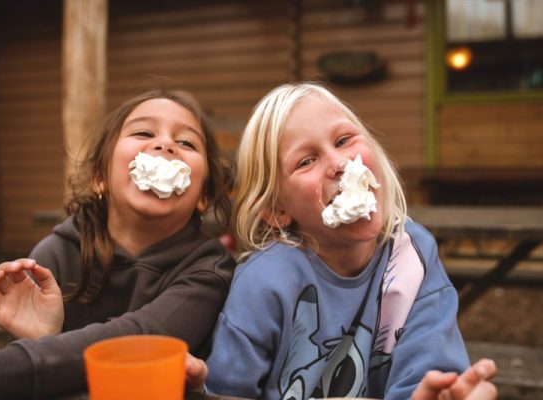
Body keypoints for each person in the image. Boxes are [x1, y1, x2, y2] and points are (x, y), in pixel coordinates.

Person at [200, 82, 497, 399]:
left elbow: (426, 375)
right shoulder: (264, 282)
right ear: (276, 210)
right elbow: (228, 390)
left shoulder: (413, 258)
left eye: (344, 140)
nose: (340, 164)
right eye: (306, 161)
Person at [0, 89, 236, 400]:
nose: (165, 145)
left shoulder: (210, 271)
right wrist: (41, 339)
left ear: (203, 196)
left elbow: (140, 338)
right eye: (143, 132)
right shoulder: (53, 257)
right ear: (100, 177)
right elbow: (40, 376)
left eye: (186, 143)